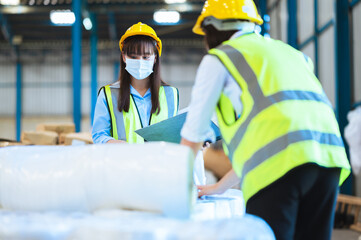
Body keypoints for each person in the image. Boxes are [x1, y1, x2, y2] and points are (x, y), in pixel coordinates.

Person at [180, 0, 351, 239]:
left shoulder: (220, 59)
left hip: (281, 173)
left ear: (210, 29)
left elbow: (193, 133)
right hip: (328, 163)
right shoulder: (291, 54)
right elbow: (269, 145)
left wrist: (176, 184)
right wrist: (219, 187)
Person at [92, 22, 179, 144]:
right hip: (123, 161)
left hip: (159, 162)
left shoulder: (171, 94)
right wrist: (116, 144)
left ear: (155, 58)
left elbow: (173, 135)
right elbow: (98, 135)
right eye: (133, 57)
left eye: (145, 57)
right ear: (124, 57)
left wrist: (195, 141)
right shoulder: (108, 94)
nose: (140, 62)